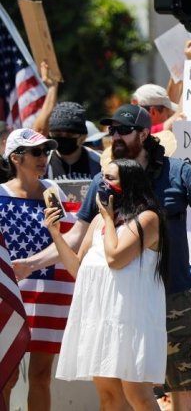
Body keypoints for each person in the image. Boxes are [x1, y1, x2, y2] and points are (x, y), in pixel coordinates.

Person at [13, 105, 191, 411]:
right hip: (123, 303)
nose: (115, 136)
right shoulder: (104, 182)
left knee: (184, 380)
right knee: (125, 389)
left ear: (143, 133)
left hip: (172, 294)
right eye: (112, 131)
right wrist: (30, 264)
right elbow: (78, 239)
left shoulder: (178, 173)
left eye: (123, 130)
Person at [49, 159, 168, 410]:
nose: (103, 184)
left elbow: (115, 259)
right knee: (108, 398)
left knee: (138, 395)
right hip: (100, 320)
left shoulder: (148, 219)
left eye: (111, 178)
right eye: (102, 177)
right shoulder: (98, 222)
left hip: (131, 321)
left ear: (129, 182)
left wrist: (107, 217)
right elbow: (78, 270)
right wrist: (56, 234)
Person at [0, 129, 68, 411]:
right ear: (16, 158)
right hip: (8, 294)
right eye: (36, 152)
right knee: (7, 375)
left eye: (46, 152)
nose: (44, 158)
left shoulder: (55, 192)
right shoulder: (0, 194)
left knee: (41, 375)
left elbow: (68, 238)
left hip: (49, 293)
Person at [45, 102, 102, 181]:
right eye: (57, 134)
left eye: (70, 135)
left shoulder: (99, 163)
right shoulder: (43, 163)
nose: (63, 138)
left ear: (83, 138)